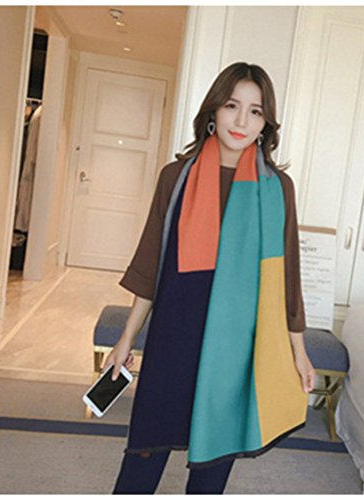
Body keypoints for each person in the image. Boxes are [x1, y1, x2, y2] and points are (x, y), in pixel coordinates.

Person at [104, 62, 316, 494]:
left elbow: (287, 275)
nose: (242, 121)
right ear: (214, 110)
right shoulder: (176, 177)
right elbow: (151, 263)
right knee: (145, 449)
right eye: (232, 106)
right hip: (174, 332)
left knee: (213, 459)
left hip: (236, 341)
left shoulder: (278, 188)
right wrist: (127, 338)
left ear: (266, 123)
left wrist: (299, 351)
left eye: (255, 111)